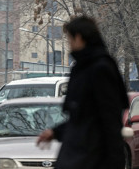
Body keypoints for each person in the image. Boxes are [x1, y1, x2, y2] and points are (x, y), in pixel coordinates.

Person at [37, 16, 129, 169]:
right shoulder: (83, 67)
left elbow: (108, 118)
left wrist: (115, 160)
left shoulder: (100, 68)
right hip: (79, 153)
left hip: (92, 156)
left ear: (79, 37)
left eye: (70, 39)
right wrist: (55, 132)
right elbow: (81, 117)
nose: (69, 45)